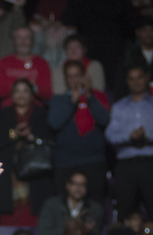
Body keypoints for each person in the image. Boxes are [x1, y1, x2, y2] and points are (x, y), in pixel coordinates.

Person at [106, 65, 153, 223]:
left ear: (147, 78)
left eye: (139, 77)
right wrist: (129, 136)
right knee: (125, 211)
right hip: (126, 165)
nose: (136, 82)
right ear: (127, 81)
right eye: (132, 79)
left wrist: (146, 135)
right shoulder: (119, 107)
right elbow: (110, 134)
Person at [0, 79, 54, 224]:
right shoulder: (3, 114)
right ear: (12, 95)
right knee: (9, 213)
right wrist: (14, 133)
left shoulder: (41, 113)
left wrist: (32, 137)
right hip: (9, 170)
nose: (21, 95)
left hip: (35, 170)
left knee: (34, 211)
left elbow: (49, 139)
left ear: (32, 95)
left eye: (25, 91)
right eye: (17, 91)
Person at [47, 60, 111, 199]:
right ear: (65, 80)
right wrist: (71, 102)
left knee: (94, 206)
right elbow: (54, 123)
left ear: (84, 76)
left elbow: (104, 119)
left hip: (93, 161)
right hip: (65, 162)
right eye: (70, 76)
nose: (74, 79)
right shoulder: (59, 100)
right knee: (63, 207)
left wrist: (89, 97)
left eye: (77, 75)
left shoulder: (98, 96)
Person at [36, 172, 105, 235]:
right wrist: (71, 227)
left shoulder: (94, 208)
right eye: (75, 184)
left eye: (82, 185)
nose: (78, 188)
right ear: (68, 186)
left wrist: (87, 231)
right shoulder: (52, 205)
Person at [0, 26, 52, 103]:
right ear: (14, 41)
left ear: (32, 41)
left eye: (27, 38)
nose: (23, 42)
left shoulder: (42, 63)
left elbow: (47, 94)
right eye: (19, 38)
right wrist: (24, 87)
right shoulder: (4, 62)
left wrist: (34, 88)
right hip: (8, 109)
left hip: (34, 109)